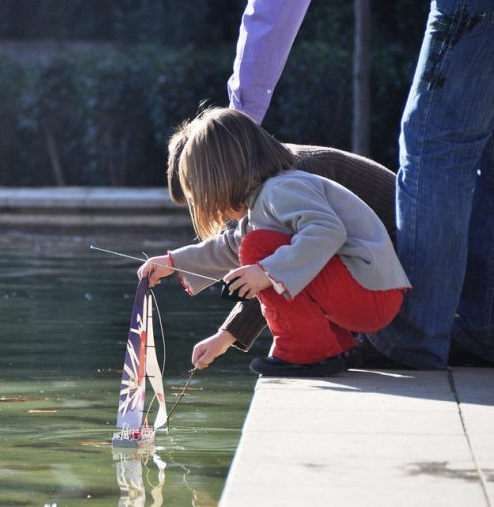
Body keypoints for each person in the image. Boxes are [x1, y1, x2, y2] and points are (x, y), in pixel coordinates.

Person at [227, 0, 494, 369]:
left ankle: (411, 340)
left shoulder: (287, 188)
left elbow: (271, 6)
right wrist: (176, 264)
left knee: (433, 146)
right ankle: (483, 329)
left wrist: (238, 124)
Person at [138, 108, 411, 377]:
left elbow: (327, 231)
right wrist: (175, 263)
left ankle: (305, 353)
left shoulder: (281, 189)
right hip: (371, 291)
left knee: (257, 248)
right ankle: (338, 348)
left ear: (225, 177)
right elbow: (231, 245)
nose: (217, 211)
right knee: (254, 246)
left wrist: (267, 271)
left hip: (371, 292)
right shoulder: (268, 195)